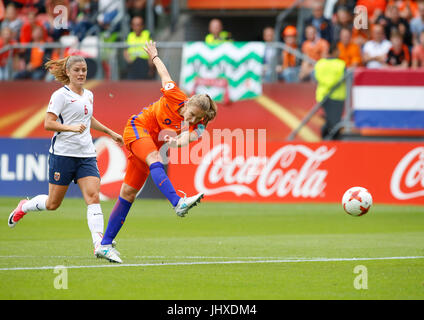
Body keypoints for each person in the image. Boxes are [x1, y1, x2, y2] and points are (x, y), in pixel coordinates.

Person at [95, 40, 217, 263]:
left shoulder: (198, 124)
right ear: (188, 102)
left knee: (128, 194)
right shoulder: (175, 94)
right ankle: (177, 203)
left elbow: (187, 138)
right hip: (136, 128)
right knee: (153, 158)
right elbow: (164, 73)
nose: (189, 120)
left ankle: (104, 245)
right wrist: (154, 56)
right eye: (190, 114)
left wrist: (174, 141)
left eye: (195, 119)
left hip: (150, 143)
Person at [8, 55, 124, 258]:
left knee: (93, 196)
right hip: (62, 155)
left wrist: (110, 132)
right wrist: (70, 128)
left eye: (84, 70)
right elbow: (48, 123)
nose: (81, 73)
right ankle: (24, 206)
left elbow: (89, 119)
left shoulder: (88, 94)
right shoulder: (60, 95)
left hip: (86, 154)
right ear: (68, 72)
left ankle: (100, 245)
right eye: (77, 70)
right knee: (53, 204)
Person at [314, 43, 346, 140]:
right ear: (335, 51)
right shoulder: (340, 64)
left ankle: (327, 136)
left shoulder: (320, 63)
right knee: (334, 121)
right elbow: (344, 78)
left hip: (322, 95)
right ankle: (330, 138)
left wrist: (327, 84)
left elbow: (316, 77)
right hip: (337, 96)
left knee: (330, 119)